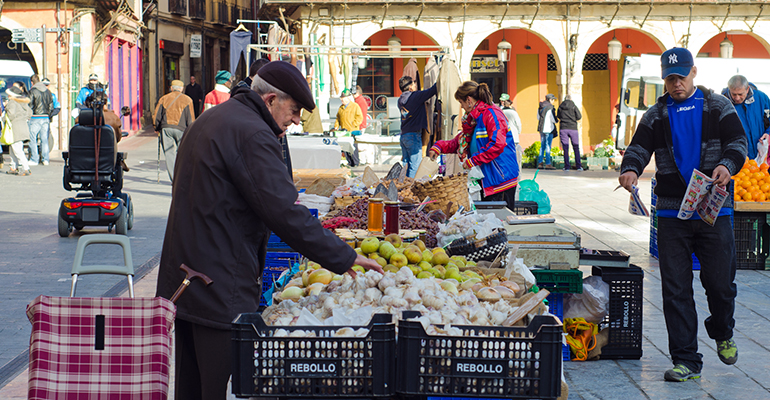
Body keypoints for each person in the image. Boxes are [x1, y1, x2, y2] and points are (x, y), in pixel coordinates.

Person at [154, 61, 383, 400]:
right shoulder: (251, 132)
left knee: (191, 385)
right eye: (292, 112)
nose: (294, 121)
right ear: (271, 99)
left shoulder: (216, 117)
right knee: (224, 388)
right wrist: (343, 256)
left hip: (187, 279)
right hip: (218, 283)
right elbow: (283, 211)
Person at [619, 47, 746, 383]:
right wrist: (630, 169)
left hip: (714, 210)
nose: (676, 84)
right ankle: (686, 359)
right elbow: (638, 148)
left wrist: (726, 165)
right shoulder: (656, 114)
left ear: (694, 73)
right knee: (675, 289)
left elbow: (738, 142)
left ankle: (722, 330)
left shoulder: (718, 105)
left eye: (681, 76)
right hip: (673, 212)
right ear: (664, 80)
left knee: (720, 284)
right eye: (670, 78)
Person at [428, 81, 519, 210]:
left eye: (461, 103)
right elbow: (460, 142)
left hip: (501, 179)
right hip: (487, 178)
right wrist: (439, 147)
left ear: (469, 100)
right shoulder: (474, 119)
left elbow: (497, 144)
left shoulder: (492, 114)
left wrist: (473, 161)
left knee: (500, 221)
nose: (462, 107)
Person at [153, 80, 195, 182]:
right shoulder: (188, 100)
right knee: (182, 153)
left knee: (169, 154)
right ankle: (182, 176)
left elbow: (156, 116)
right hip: (181, 129)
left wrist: (156, 128)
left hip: (166, 128)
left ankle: (174, 179)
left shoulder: (164, 99)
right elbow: (191, 118)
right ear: (182, 89)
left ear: (171, 88)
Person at [721, 75, 770, 160]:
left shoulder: (762, 98)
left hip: (762, 156)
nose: (737, 98)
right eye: (734, 94)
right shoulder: (723, 103)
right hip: (737, 157)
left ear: (747, 89)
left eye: (740, 94)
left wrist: (768, 133)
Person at [398, 76, 437, 178]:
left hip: (404, 135)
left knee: (405, 166)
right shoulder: (414, 97)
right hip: (413, 135)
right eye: (414, 84)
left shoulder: (400, 100)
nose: (416, 85)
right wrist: (442, 76)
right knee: (415, 166)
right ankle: (410, 189)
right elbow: (432, 90)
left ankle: (403, 187)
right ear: (410, 87)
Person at [3, 87, 33, 176]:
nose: (8, 96)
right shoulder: (23, 102)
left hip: (15, 128)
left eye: (9, 94)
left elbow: (11, 115)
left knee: (17, 150)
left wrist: (6, 109)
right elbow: (29, 113)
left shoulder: (12, 103)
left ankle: (26, 168)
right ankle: (13, 166)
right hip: (23, 126)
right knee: (13, 149)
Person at [28, 74, 54, 166]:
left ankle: (34, 159)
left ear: (32, 82)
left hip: (35, 117)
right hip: (45, 117)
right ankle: (45, 159)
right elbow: (51, 105)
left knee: (32, 138)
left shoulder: (32, 91)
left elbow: (30, 105)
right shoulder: (48, 91)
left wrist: (29, 115)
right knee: (44, 139)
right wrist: (48, 115)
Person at [557, 94, 583, 171]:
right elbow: (579, 116)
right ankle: (578, 166)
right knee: (576, 147)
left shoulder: (561, 106)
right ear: (571, 99)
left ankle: (566, 166)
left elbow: (558, 116)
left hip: (563, 128)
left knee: (565, 148)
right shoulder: (573, 106)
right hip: (573, 128)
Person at [500, 93, 523, 173]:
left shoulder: (501, 112)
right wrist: (519, 132)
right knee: (514, 155)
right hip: (514, 136)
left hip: (504, 136)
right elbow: (518, 124)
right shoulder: (514, 113)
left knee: (505, 155)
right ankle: (514, 171)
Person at [537, 93, 558, 170]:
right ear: (550, 99)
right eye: (553, 99)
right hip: (549, 128)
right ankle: (548, 163)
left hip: (541, 128)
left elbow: (538, 117)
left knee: (542, 146)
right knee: (548, 146)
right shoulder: (550, 107)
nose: (553, 101)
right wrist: (556, 120)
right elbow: (553, 119)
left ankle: (540, 163)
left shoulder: (540, 106)